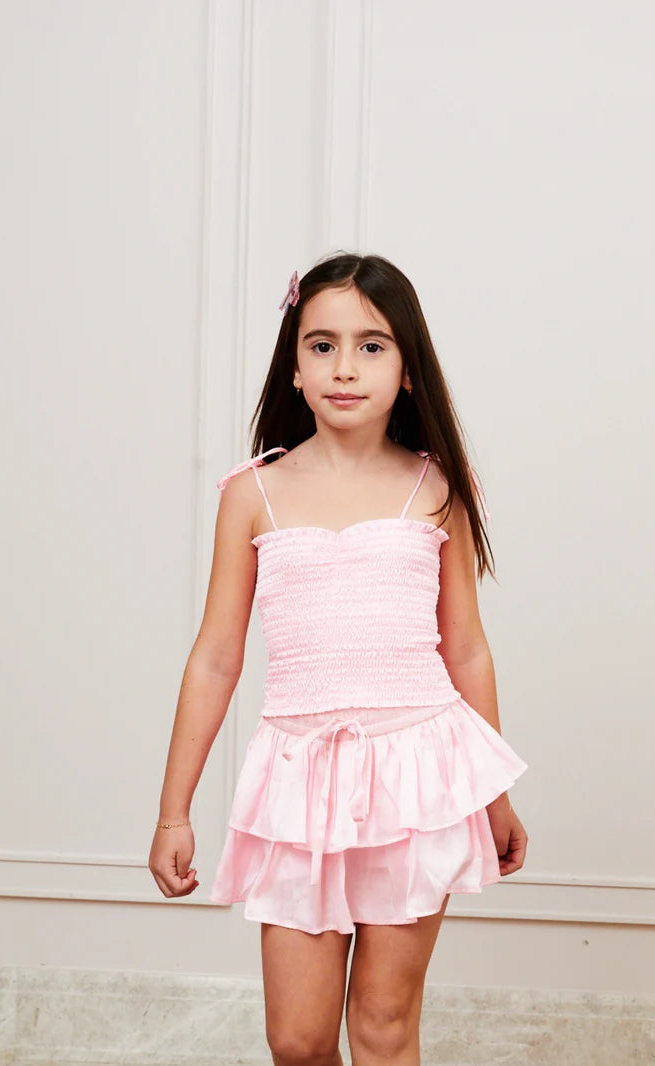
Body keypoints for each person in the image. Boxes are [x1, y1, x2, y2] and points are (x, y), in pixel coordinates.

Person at [149, 252, 529, 1066]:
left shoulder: (437, 490)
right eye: (321, 345)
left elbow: (465, 648)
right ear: (293, 366)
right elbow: (215, 657)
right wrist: (173, 811)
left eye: (371, 346)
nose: (344, 367)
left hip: (417, 779)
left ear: (407, 369)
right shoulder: (251, 494)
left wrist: (493, 796)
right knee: (297, 1039)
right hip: (297, 783)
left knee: (383, 1027)